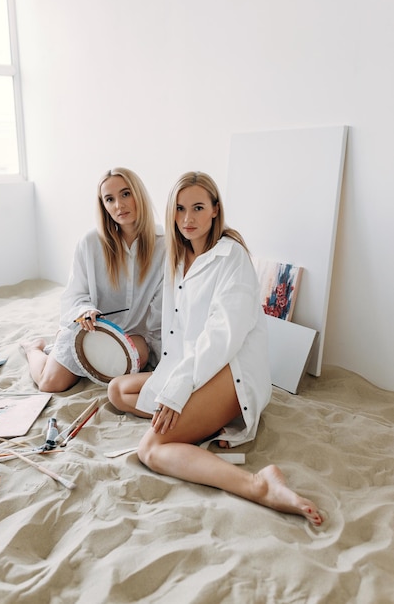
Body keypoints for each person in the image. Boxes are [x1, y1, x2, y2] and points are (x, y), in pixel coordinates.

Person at [108, 170, 323, 525]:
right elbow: (178, 334)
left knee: (151, 449)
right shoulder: (177, 258)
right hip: (195, 367)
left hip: (229, 369)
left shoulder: (231, 258)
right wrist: (172, 378)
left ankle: (259, 485)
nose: (187, 219)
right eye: (179, 209)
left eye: (197, 208)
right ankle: (201, 424)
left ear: (214, 210)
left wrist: (178, 390)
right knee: (118, 391)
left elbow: (222, 338)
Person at [21, 167, 165, 393]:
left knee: (136, 359)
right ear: (103, 205)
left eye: (125, 194)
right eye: (110, 199)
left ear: (139, 194)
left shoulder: (165, 245)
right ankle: (34, 348)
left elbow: (162, 310)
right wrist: (85, 311)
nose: (119, 205)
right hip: (89, 330)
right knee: (50, 384)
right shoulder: (89, 243)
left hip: (133, 333)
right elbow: (75, 294)